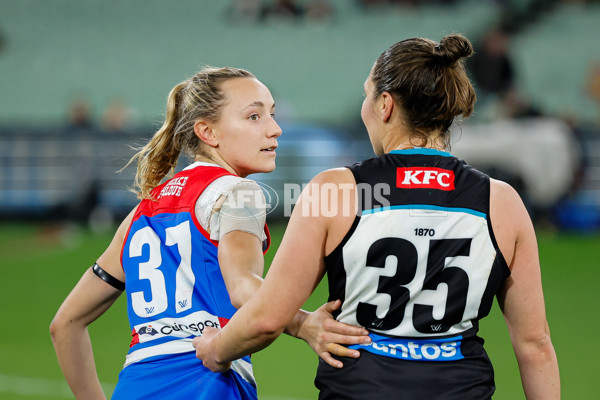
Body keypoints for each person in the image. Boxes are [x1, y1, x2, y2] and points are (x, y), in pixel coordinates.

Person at [193, 35, 561, 399]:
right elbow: (535, 345)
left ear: (385, 104)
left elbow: (266, 318)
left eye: (367, 95)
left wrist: (215, 349)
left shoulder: (336, 190)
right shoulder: (501, 201)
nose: (363, 109)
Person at [50, 66, 370, 399]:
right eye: (254, 117)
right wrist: (304, 323)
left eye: (272, 115)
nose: (275, 130)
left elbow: (65, 325)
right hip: (205, 383)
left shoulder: (141, 212)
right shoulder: (239, 193)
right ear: (208, 132)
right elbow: (243, 288)